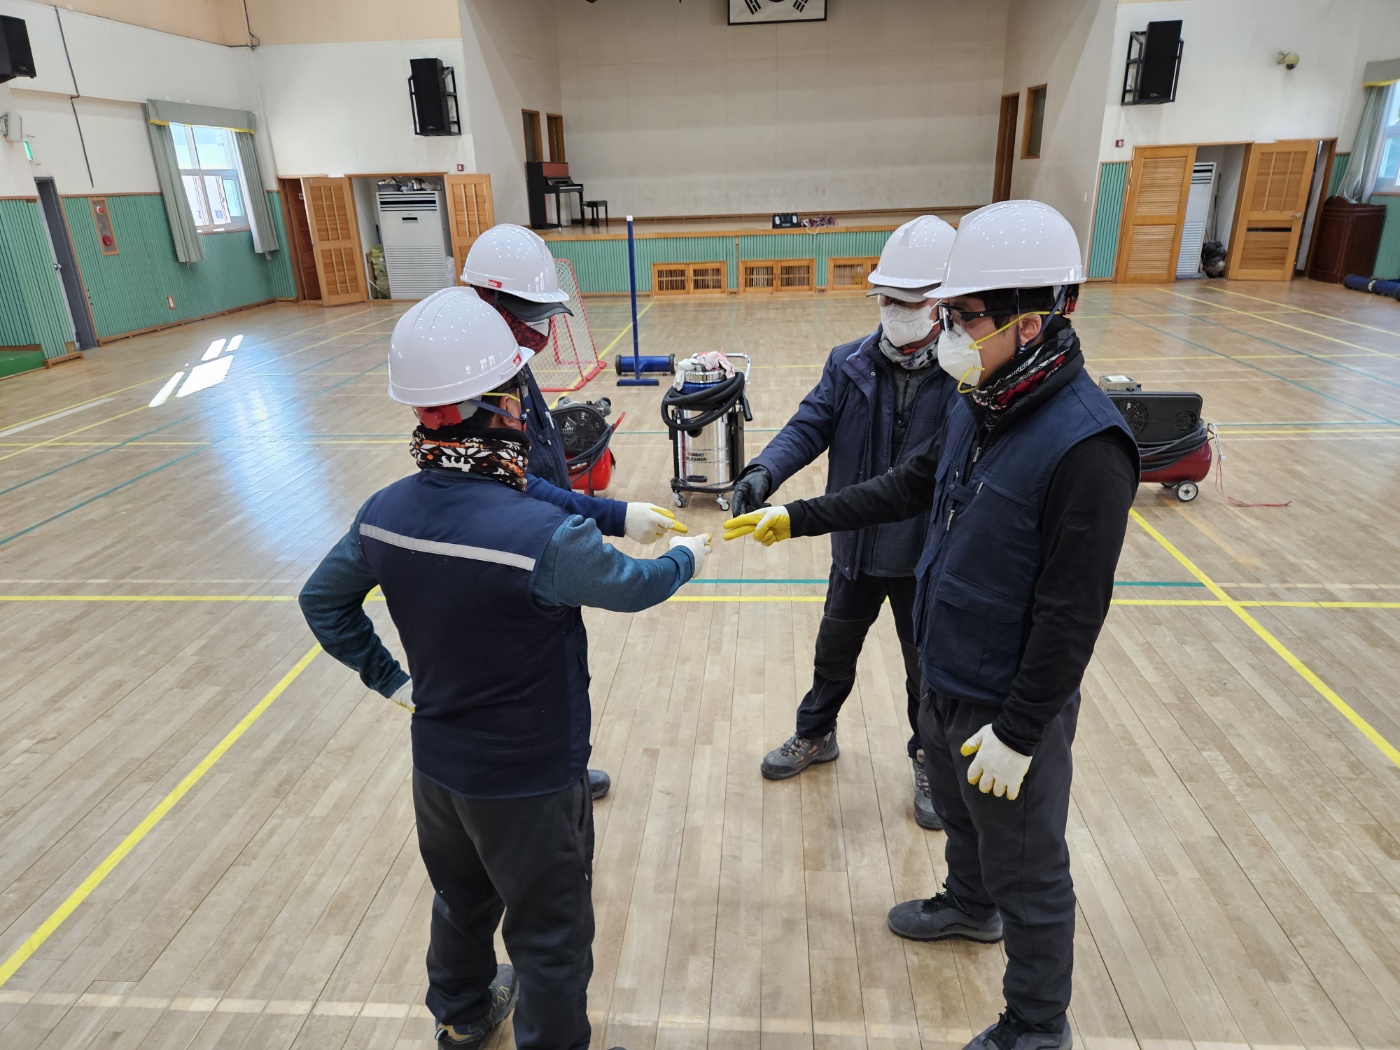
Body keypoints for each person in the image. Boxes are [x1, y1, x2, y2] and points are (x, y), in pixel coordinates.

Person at [723, 201, 1138, 1050]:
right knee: (956, 812)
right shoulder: (979, 395)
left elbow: (1072, 615)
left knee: (1030, 868)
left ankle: (1035, 1025)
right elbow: (912, 485)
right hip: (948, 672)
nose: (947, 332)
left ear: (1035, 319)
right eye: (945, 314)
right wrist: (797, 516)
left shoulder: (1088, 445)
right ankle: (967, 904)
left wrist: (1022, 733)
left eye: (965, 316)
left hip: (1010, 701)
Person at [299, 288, 712, 1049]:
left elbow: (322, 603)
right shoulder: (543, 538)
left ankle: (460, 1013)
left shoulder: (383, 511)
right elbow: (636, 587)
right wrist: (689, 556)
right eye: (516, 396)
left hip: (439, 772)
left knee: (461, 899)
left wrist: (391, 679)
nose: (526, 410)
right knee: (551, 936)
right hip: (529, 779)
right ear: (493, 409)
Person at [729, 215, 956, 830]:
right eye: (889, 299)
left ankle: (928, 760)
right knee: (834, 650)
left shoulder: (965, 379)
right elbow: (809, 425)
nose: (896, 311)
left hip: (924, 556)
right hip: (854, 547)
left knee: (924, 670)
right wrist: (762, 472)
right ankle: (816, 733)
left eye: (911, 302)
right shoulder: (848, 362)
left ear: (942, 306)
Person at [463, 222, 688, 801]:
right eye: (529, 312)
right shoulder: (477, 391)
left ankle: (563, 769)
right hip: (518, 556)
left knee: (563, 677)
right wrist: (615, 517)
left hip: (542, 539)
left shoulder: (508, 362)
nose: (539, 329)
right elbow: (518, 485)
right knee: (528, 684)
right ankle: (542, 789)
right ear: (490, 301)